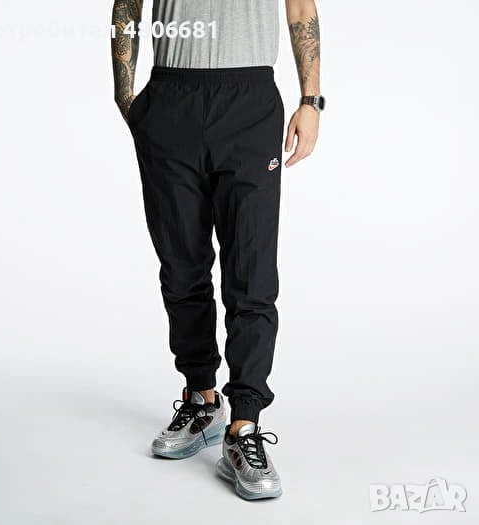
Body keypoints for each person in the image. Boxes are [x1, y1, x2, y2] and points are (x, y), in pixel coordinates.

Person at [111, 0, 324, 500]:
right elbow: (127, 4)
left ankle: (244, 424)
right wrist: (126, 95)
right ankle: (202, 399)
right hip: (170, 98)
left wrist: (311, 101)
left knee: (252, 272)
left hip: (249, 100)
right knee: (181, 265)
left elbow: (300, 6)